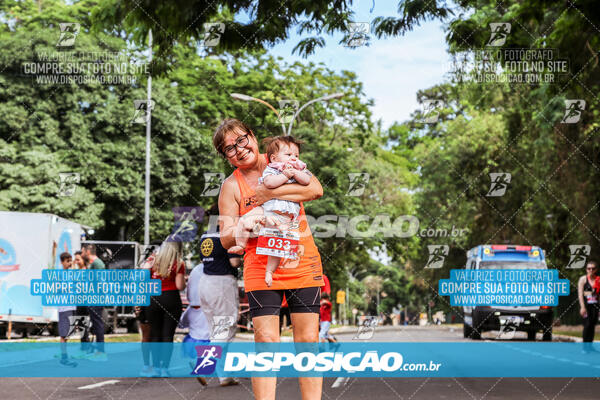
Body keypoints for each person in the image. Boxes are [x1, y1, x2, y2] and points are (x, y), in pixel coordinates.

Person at [214, 118, 324, 400]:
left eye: (241, 140)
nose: (239, 149)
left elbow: (314, 190)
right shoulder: (231, 187)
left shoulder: (280, 158)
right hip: (261, 266)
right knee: (265, 342)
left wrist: (263, 194)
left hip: (301, 260)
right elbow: (225, 237)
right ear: (226, 157)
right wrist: (246, 220)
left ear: (252, 136)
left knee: (308, 342)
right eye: (229, 149)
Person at [228, 136, 312, 287]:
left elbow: (307, 182)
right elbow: (269, 183)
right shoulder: (273, 169)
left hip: (285, 215)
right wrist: (285, 175)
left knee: (277, 247)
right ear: (274, 158)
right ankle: (241, 244)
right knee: (245, 220)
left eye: (296, 155)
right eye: (288, 155)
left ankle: (269, 271)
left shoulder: (300, 169)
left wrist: (295, 173)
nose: (293, 158)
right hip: (266, 208)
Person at [197, 204, 242, 387]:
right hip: (222, 284)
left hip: (205, 282)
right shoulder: (227, 236)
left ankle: (224, 375)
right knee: (225, 328)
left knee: (216, 331)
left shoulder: (204, 238)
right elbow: (234, 262)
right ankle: (204, 365)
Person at [147, 240, 186, 377]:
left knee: (155, 334)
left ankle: (155, 367)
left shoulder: (152, 259)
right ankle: (165, 368)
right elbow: (180, 285)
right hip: (171, 298)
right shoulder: (179, 263)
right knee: (168, 335)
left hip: (153, 298)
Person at [181, 263, 211, 386]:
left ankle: (197, 361)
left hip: (193, 306)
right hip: (207, 305)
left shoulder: (195, 270)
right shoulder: (213, 267)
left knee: (197, 336)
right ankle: (201, 366)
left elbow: (189, 289)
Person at [81, 244, 107, 361]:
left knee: (98, 324)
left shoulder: (97, 264)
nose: (82, 254)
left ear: (88, 252)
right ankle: (97, 350)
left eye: (83, 252)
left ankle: (101, 352)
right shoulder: (93, 264)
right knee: (95, 325)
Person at [57, 252, 77, 367]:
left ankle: (65, 356)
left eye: (71, 261)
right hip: (64, 307)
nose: (70, 263)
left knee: (68, 333)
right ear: (62, 262)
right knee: (64, 334)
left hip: (72, 306)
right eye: (67, 261)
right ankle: (64, 358)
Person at [578, 260, 600, 352]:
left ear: (596, 269)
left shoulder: (598, 279)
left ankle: (590, 346)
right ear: (586, 269)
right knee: (587, 325)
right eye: (589, 268)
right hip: (587, 306)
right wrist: (582, 307)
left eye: (593, 268)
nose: (591, 270)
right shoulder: (583, 279)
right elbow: (580, 294)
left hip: (595, 305)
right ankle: (585, 347)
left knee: (592, 325)